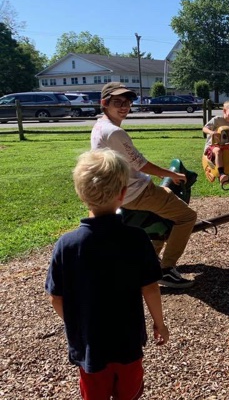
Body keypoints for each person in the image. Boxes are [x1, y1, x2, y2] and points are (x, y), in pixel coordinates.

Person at [45, 149, 169, 400]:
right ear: (123, 194)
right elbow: (150, 287)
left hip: (90, 346)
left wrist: (77, 323)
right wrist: (160, 323)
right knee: (129, 393)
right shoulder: (137, 239)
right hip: (128, 342)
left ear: (81, 194)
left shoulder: (67, 245)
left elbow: (56, 298)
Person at [92, 82, 198, 288]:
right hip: (138, 192)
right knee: (187, 217)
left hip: (122, 191)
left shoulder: (99, 126)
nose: (124, 106)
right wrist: (171, 174)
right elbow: (140, 163)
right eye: (118, 102)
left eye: (127, 102)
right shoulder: (115, 132)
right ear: (104, 103)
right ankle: (167, 270)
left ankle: (151, 259)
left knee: (163, 211)